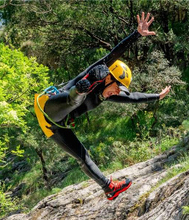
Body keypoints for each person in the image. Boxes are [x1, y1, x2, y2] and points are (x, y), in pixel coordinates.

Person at [33, 12, 171, 201]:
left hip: (55, 126)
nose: (117, 92)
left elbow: (134, 98)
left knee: (83, 157)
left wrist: (157, 96)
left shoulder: (105, 96)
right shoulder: (100, 71)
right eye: (117, 87)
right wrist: (137, 34)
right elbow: (114, 53)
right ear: (108, 78)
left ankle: (109, 189)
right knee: (78, 95)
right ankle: (80, 89)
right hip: (49, 105)